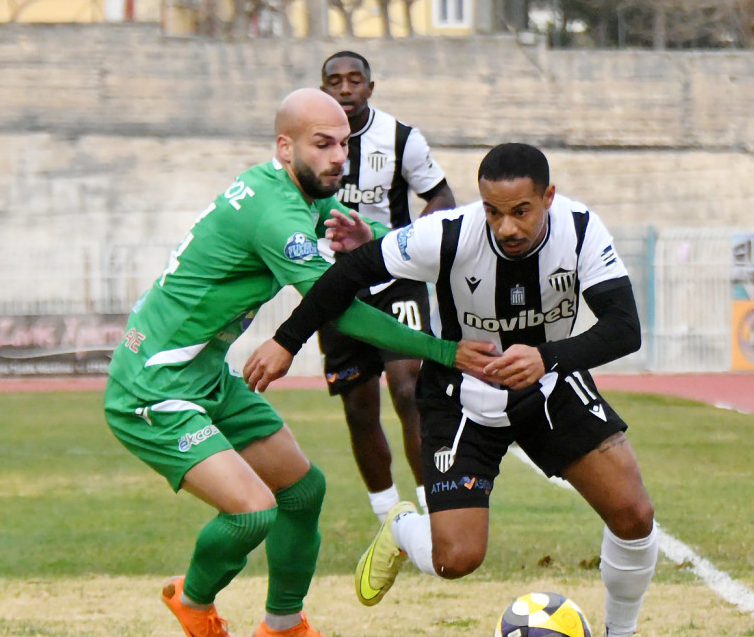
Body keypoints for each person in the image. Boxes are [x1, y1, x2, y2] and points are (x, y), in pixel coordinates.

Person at [102, 88, 490, 637]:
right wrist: (445, 351)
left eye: (345, 144)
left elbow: (373, 247)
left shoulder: (299, 193)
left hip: (204, 375)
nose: (338, 157)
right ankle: (192, 602)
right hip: (152, 386)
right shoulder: (277, 214)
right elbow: (342, 308)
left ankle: (282, 625)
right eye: (322, 144)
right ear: (285, 147)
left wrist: (371, 236)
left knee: (303, 491)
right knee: (252, 510)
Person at [262, 143, 659, 637]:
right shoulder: (448, 234)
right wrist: (286, 340)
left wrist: (546, 358)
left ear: (548, 197)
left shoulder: (580, 229)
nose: (506, 227)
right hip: (461, 397)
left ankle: (622, 633)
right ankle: (404, 529)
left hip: (551, 385)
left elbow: (625, 328)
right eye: (493, 211)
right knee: (457, 558)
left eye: (521, 212)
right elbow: (349, 273)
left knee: (634, 515)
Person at [317, 51, 457, 521]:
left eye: (355, 80)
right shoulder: (305, 146)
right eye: (334, 81)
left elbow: (440, 195)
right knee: (359, 404)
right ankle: (389, 519)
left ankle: (431, 504)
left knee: (408, 385)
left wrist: (415, 241)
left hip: (394, 277)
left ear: (370, 88)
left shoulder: (400, 138)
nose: (345, 89)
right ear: (323, 91)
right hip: (336, 287)